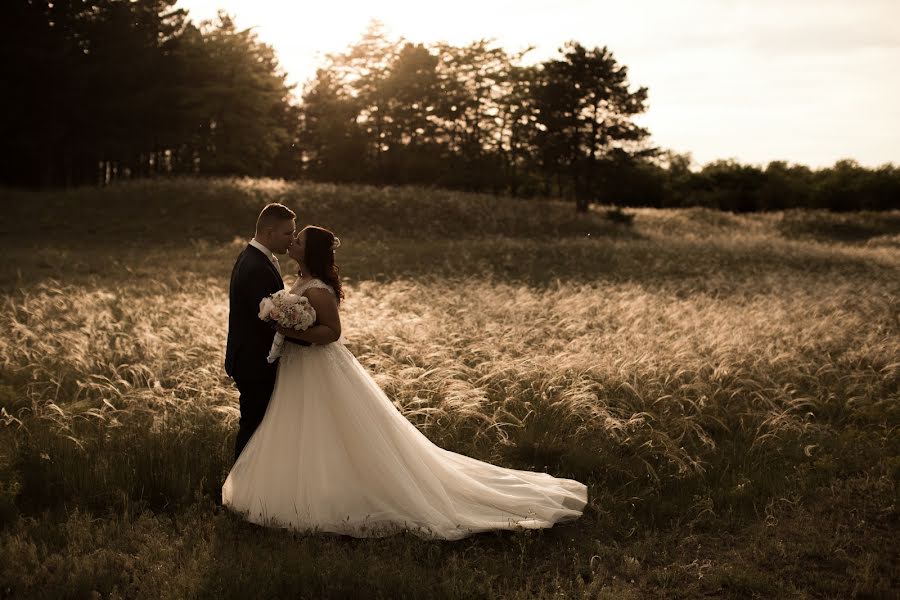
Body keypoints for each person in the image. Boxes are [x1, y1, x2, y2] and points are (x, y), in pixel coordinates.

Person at [223, 225, 588, 540]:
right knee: (303, 430)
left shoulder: (317, 287)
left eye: (299, 238)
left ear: (310, 250)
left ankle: (344, 498)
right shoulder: (301, 280)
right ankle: (304, 492)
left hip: (317, 366)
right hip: (297, 369)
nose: (293, 241)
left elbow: (332, 333)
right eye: (293, 235)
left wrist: (287, 328)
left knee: (332, 430)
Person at [224, 203, 300, 460]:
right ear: (269, 233)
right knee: (254, 427)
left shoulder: (255, 257)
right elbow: (270, 318)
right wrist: (309, 333)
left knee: (259, 425)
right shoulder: (256, 266)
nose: (293, 239)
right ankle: (239, 490)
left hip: (253, 358)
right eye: (288, 233)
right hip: (254, 361)